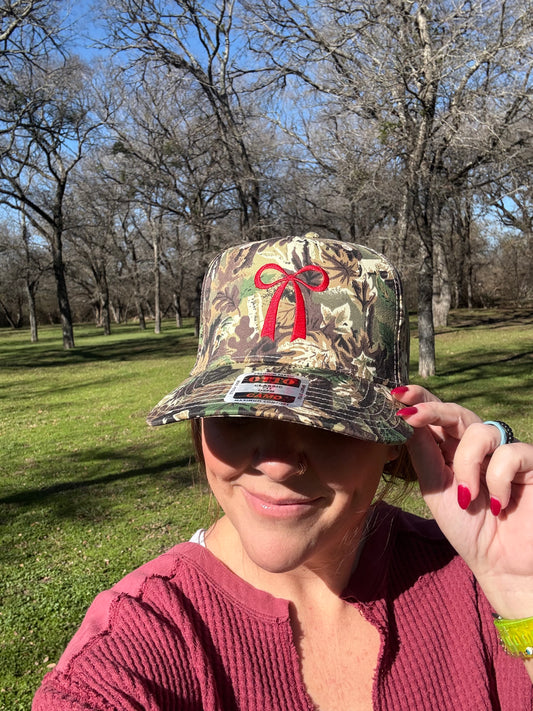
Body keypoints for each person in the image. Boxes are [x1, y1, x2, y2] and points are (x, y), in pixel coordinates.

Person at [33, 234, 533, 711]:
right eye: (237, 414)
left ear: (392, 434)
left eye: (327, 421)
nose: (274, 463)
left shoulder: (472, 580)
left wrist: (519, 589)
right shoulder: (140, 643)